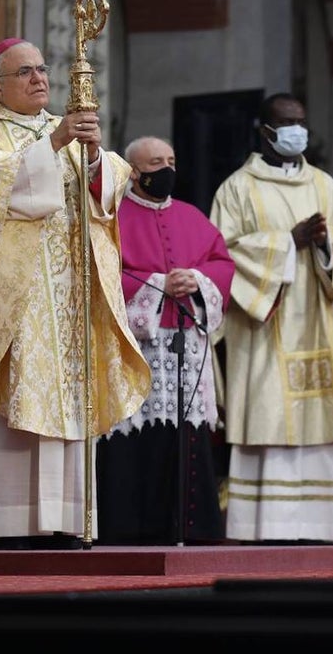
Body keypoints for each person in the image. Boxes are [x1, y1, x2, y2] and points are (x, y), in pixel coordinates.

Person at [0, 37, 151, 550]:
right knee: (14, 398)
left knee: (64, 401)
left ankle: (63, 520)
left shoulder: (60, 132)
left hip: (64, 300)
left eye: (43, 69)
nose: (39, 78)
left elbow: (107, 190)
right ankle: (6, 527)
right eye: (25, 71)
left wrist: (92, 161)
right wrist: (57, 144)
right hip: (11, 300)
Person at [209, 92, 333, 543]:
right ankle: (266, 529)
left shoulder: (324, 186)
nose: (297, 130)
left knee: (320, 418)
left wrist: (324, 244)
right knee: (269, 413)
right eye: (287, 123)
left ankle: (323, 528)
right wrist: (285, 242)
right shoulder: (237, 188)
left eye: (302, 122)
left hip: (316, 316)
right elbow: (221, 256)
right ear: (266, 131)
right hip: (265, 325)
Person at [96, 135, 236, 545]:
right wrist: (158, 285)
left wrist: (197, 279)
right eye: (157, 162)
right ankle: (130, 529)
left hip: (185, 341)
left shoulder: (193, 216)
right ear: (134, 172)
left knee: (185, 432)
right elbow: (101, 273)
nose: (167, 169)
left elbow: (222, 263)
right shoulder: (112, 218)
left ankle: (189, 528)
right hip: (136, 346)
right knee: (133, 435)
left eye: (172, 159)